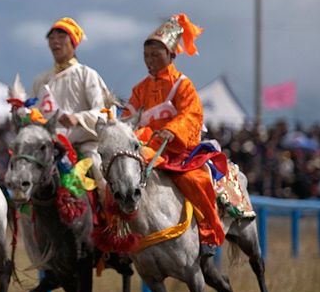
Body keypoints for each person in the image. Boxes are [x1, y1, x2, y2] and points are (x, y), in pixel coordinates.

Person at [123, 13, 224, 261]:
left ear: (171, 54)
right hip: (146, 148)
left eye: (155, 55)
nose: (150, 61)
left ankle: (208, 234)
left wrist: (173, 130)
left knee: (196, 180)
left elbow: (192, 114)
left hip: (178, 150)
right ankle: (119, 237)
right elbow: (128, 118)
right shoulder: (139, 89)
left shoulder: (182, 85)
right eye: (146, 56)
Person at [30, 17, 117, 191]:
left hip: (84, 146)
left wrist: (78, 118)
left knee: (100, 175)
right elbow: (32, 111)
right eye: (51, 38)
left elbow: (104, 111)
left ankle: (109, 207)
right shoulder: (41, 80)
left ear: (73, 42)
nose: (55, 42)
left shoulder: (87, 74)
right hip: (49, 148)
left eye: (61, 37)